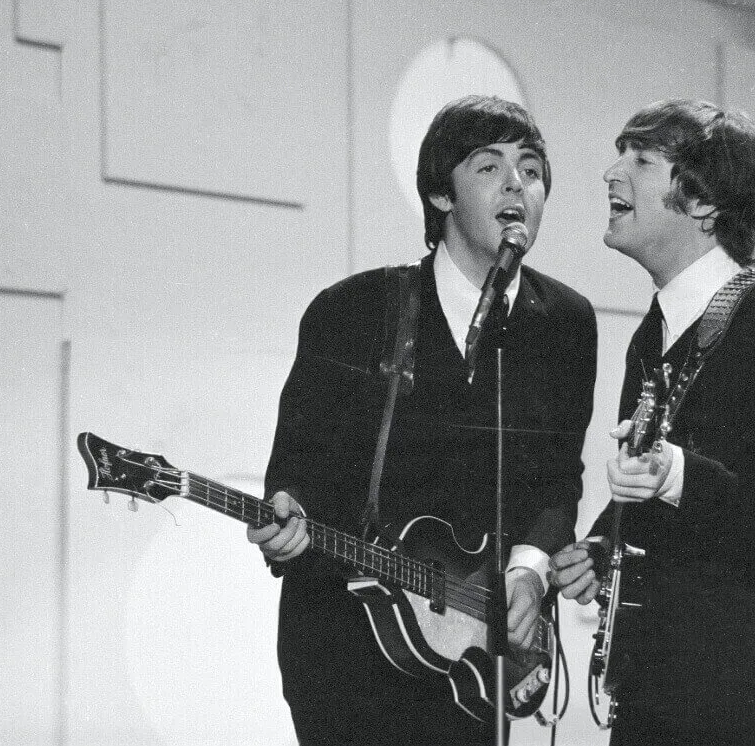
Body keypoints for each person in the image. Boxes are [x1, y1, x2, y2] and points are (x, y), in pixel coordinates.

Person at [247, 95, 597, 746]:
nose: (517, 183)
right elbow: (295, 466)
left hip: (474, 663)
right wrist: (286, 510)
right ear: (441, 194)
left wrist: (527, 569)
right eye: (489, 166)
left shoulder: (566, 322)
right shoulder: (355, 310)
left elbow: (559, 481)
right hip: (348, 661)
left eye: (531, 168)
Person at [550, 99, 755, 746]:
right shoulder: (653, 334)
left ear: (705, 203)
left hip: (742, 709)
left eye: (641, 159)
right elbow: (660, 501)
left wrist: (675, 472)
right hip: (654, 694)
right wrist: (604, 545)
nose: (611, 172)